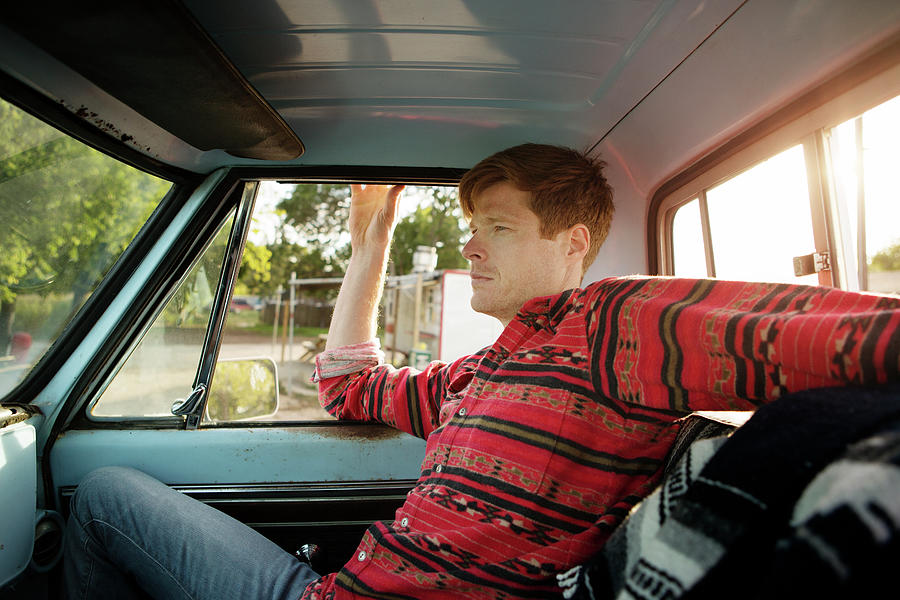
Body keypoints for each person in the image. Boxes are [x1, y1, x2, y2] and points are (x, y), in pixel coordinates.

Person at [64, 144, 900, 600]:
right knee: (109, 482)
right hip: (337, 588)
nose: (469, 245)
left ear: (572, 241)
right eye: (470, 225)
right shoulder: (479, 374)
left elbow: (852, 336)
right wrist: (369, 245)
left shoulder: (614, 320)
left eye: (496, 226)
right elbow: (349, 385)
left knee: (101, 496)